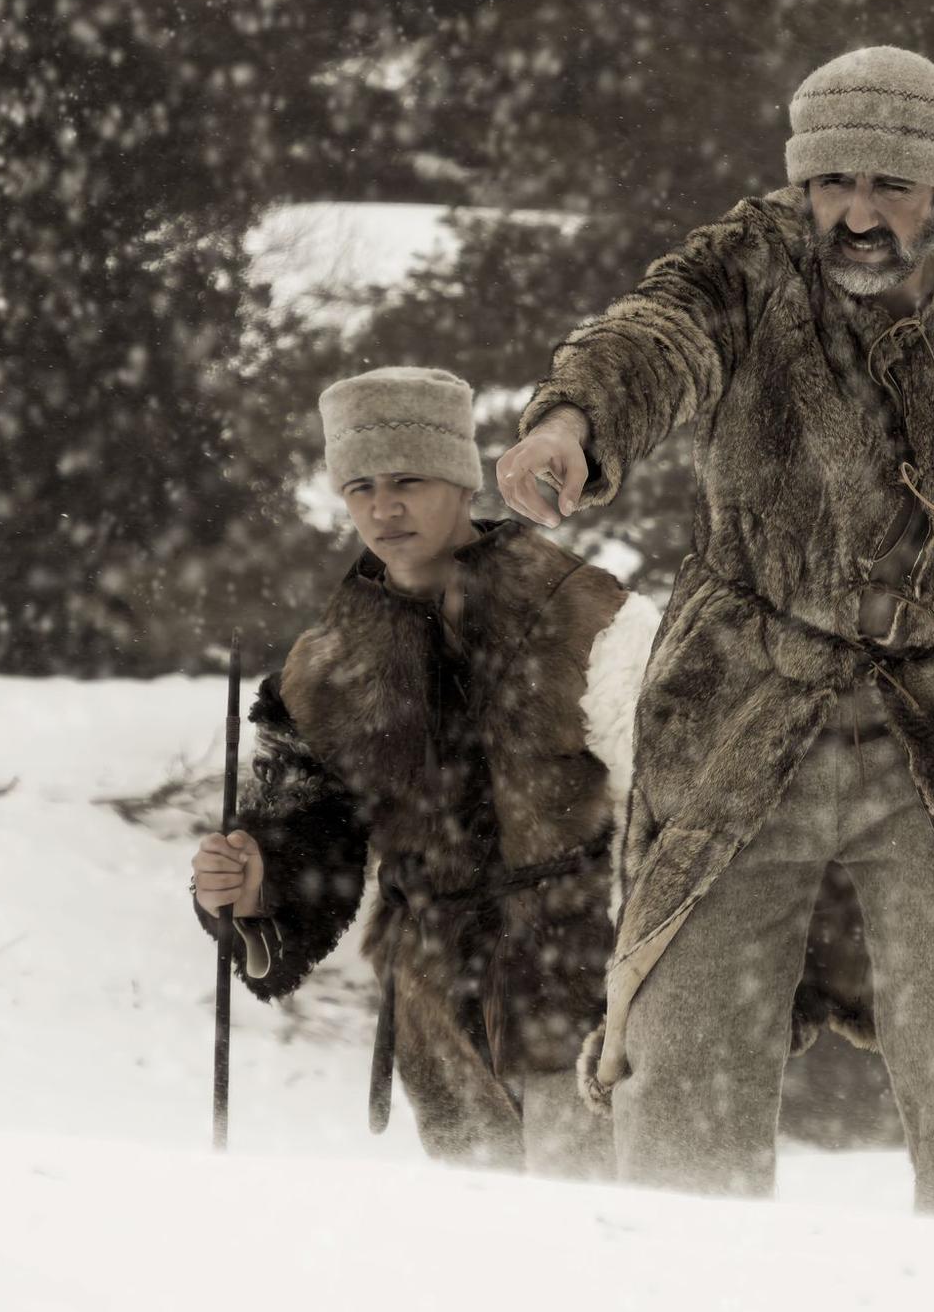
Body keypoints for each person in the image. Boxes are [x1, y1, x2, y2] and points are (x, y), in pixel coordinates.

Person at [495, 45, 934, 1219]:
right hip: (742, 707)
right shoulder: (747, 262)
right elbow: (652, 339)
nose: (854, 214)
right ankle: (678, 1292)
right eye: (830, 184)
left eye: (889, 187)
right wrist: (570, 425)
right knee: (684, 1044)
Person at [193, 365, 866, 1175]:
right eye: (361, 487)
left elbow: (713, 799)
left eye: (407, 480)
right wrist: (254, 877)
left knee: (599, 1239)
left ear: (457, 477)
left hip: (578, 981)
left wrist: (797, 959)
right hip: (435, 1007)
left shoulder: (586, 614)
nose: (384, 507)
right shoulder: (326, 664)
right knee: (487, 1262)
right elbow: (313, 831)